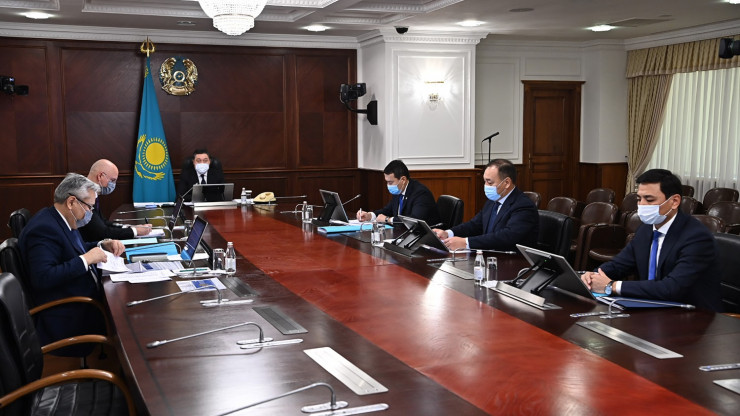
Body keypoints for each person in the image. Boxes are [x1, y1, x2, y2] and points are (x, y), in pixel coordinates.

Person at [580, 169, 722, 311]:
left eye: (649, 200)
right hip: (652, 308)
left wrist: (611, 286)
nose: (641, 205)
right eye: (639, 199)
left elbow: (672, 288)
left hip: (693, 314)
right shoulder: (646, 229)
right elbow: (618, 265)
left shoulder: (697, 237)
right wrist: (594, 276)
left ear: (674, 201)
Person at [18, 173, 126, 355]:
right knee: (126, 314)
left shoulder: (61, 219)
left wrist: (102, 244)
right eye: (89, 207)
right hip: (67, 314)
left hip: (81, 299)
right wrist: (86, 259)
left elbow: (75, 250)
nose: (90, 213)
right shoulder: (44, 229)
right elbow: (43, 277)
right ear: (71, 202)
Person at [434, 158, 538, 251]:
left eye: (490, 182)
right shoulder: (493, 200)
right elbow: (474, 225)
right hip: (490, 256)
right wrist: (448, 233)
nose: (486, 186)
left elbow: (507, 236)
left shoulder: (523, 205)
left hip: (513, 260)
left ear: (507, 183)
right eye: (485, 181)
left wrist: (466, 242)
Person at [79, 159, 152, 241]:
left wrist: (130, 228)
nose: (113, 185)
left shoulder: (92, 192)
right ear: (100, 176)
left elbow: (103, 222)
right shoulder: (84, 195)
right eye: (112, 180)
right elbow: (102, 233)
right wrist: (135, 231)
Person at [356, 159, 440, 226]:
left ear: (403, 179)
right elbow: (388, 210)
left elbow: (414, 220)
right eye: (387, 182)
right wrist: (370, 215)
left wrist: (387, 220)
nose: (388, 185)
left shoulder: (420, 193)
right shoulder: (399, 190)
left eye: (390, 182)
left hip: (424, 236)